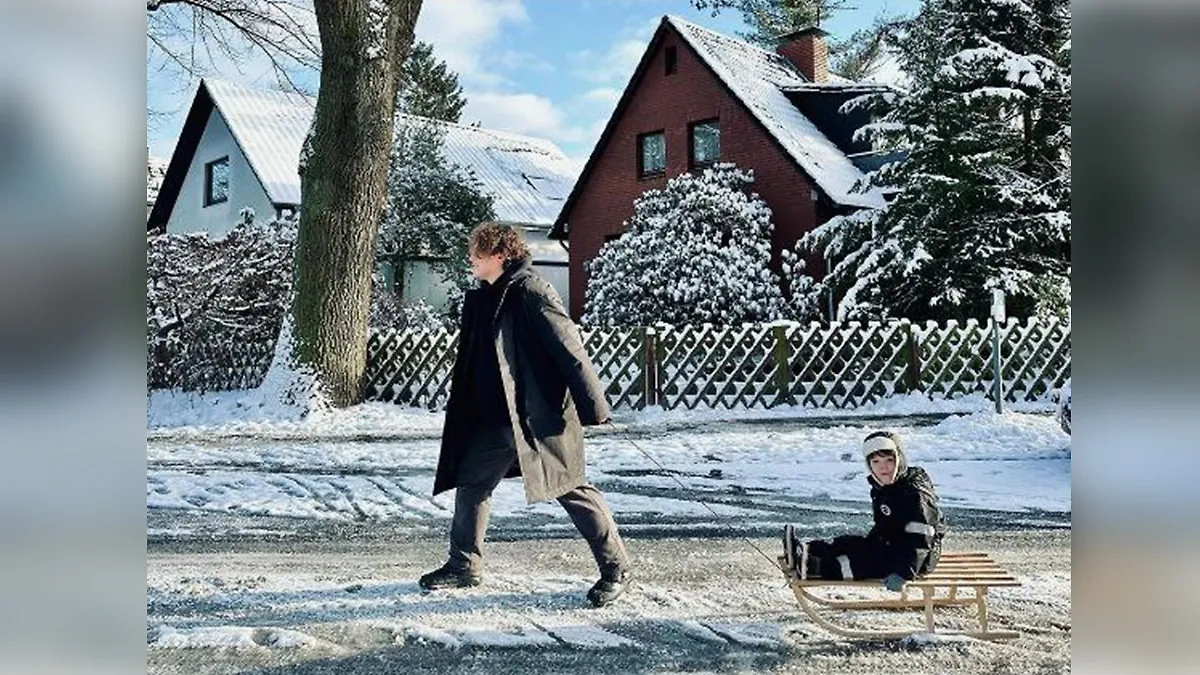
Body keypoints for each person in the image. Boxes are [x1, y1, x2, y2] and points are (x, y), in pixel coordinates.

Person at [418, 222, 633, 607]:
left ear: (500, 255)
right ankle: (464, 565)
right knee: (472, 483)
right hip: (493, 419)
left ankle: (617, 569)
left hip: (536, 417)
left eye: (478, 253)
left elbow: (570, 348)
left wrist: (594, 405)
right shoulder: (489, 294)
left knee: (571, 488)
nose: (471, 259)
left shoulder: (532, 291)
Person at [782, 431, 945, 591]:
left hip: (915, 559)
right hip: (891, 544)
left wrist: (904, 574)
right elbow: (885, 524)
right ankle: (806, 550)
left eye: (889, 460)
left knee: (859, 564)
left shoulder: (915, 494)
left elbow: (921, 539)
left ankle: (813, 567)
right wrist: (868, 544)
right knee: (849, 543)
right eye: (876, 461)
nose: (883, 467)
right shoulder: (883, 487)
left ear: (900, 460)